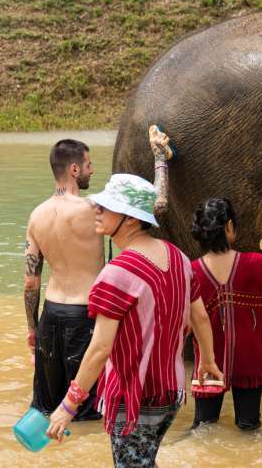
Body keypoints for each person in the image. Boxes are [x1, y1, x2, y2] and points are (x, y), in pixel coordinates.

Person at [45, 174, 223, 467]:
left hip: (134, 400)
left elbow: (101, 348)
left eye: (107, 206)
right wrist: (207, 361)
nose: (97, 210)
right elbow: (200, 316)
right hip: (171, 394)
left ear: (130, 220)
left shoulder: (117, 274)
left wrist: (69, 405)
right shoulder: (179, 258)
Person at [188, 198, 262, 431]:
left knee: (203, 427)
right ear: (230, 227)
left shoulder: (191, 271)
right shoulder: (255, 263)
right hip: (249, 360)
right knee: (249, 427)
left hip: (209, 360)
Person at [23, 139, 104, 420]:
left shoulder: (36, 216)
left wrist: (32, 327)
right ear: (73, 169)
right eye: (88, 165)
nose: (91, 171)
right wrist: (160, 162)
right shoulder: (94, 210)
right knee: (86, 411)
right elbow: (151, 206)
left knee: (46, 407)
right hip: (85, 317)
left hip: (51, 315)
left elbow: (31, 282)